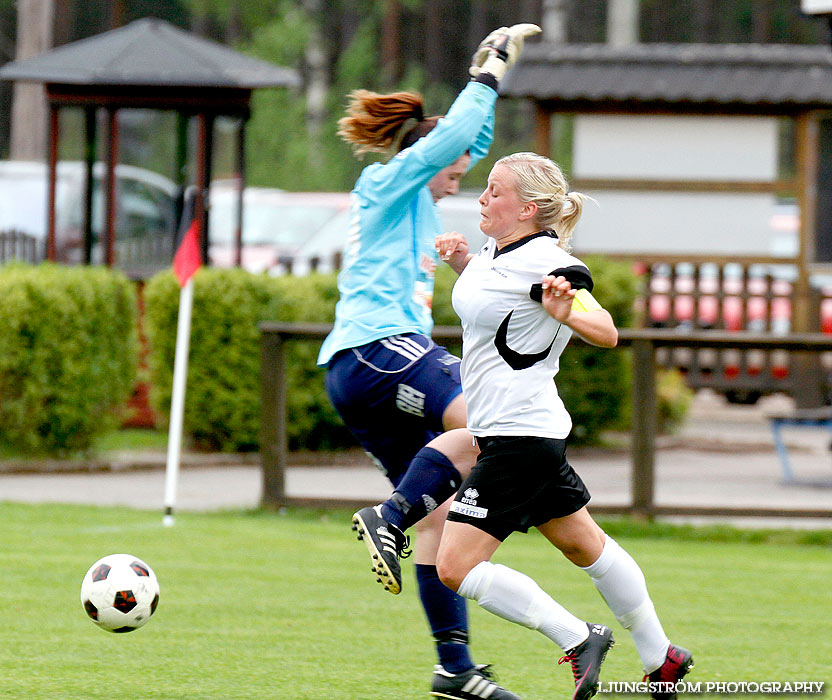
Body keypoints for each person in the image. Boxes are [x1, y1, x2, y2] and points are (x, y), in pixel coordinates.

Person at [360, 152, 695, 700]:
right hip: (520, 433)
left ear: (529, 209)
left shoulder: (545, 260)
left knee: (454, 567)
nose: (483, 198)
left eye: (494, 191)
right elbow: (504, 304)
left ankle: (577, 636)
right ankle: (661, 655)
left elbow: (606, 330)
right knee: (588, 546)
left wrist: (572, 313)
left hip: (518, 440)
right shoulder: (502, 252)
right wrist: (464, 263)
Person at [318, 23, 541, 700]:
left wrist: (483, 104)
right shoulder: (389, 183)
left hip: (363, 371)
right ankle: (387, 518)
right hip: (381, 349)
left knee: (441, 516)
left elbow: (463, 140)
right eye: (455, 169)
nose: (462, 178)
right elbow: (450, 142)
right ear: (424, 155)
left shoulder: (411, 195)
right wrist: (487, 74)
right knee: (488, 421)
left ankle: (455, 667)